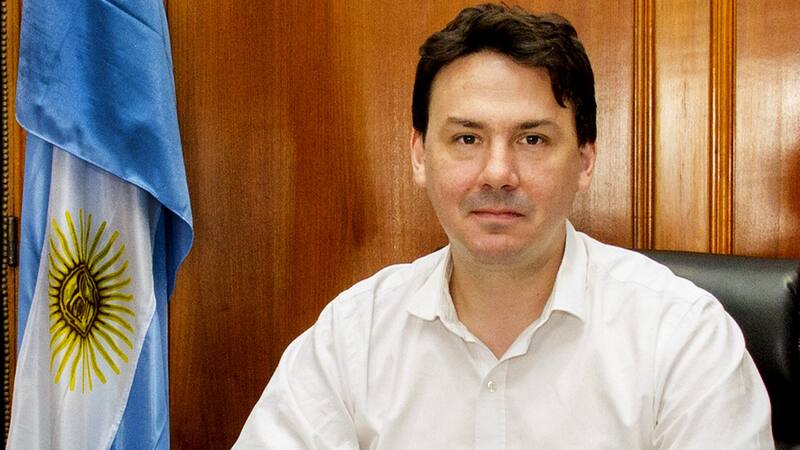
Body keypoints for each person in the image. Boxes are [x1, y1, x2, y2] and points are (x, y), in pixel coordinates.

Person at [234, 4, 773, 449]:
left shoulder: (682, 337)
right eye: (467, 138)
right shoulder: (354, 336)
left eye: (532, 139)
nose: (497, 172)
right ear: (420, 155)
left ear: (585, 159)